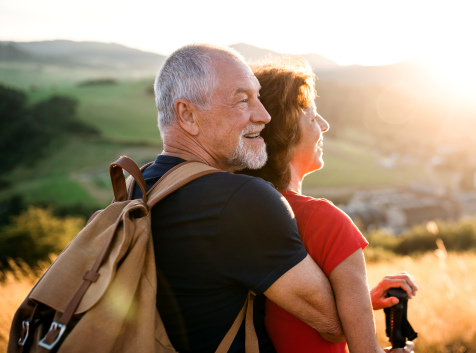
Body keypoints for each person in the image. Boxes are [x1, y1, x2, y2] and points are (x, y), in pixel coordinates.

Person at [133, 44, 345, 352]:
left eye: (258, 97)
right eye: (242, 100)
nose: (264, 115)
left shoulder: (139, 185)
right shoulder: (238, 200)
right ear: (188, 115)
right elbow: (335, 324)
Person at [241, 57, 418, 353]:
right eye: (312, 118)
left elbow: (286, 314)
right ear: (285, 133)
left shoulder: (242, 210)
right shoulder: (326, 221)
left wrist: (363, 299)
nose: (324, 125)